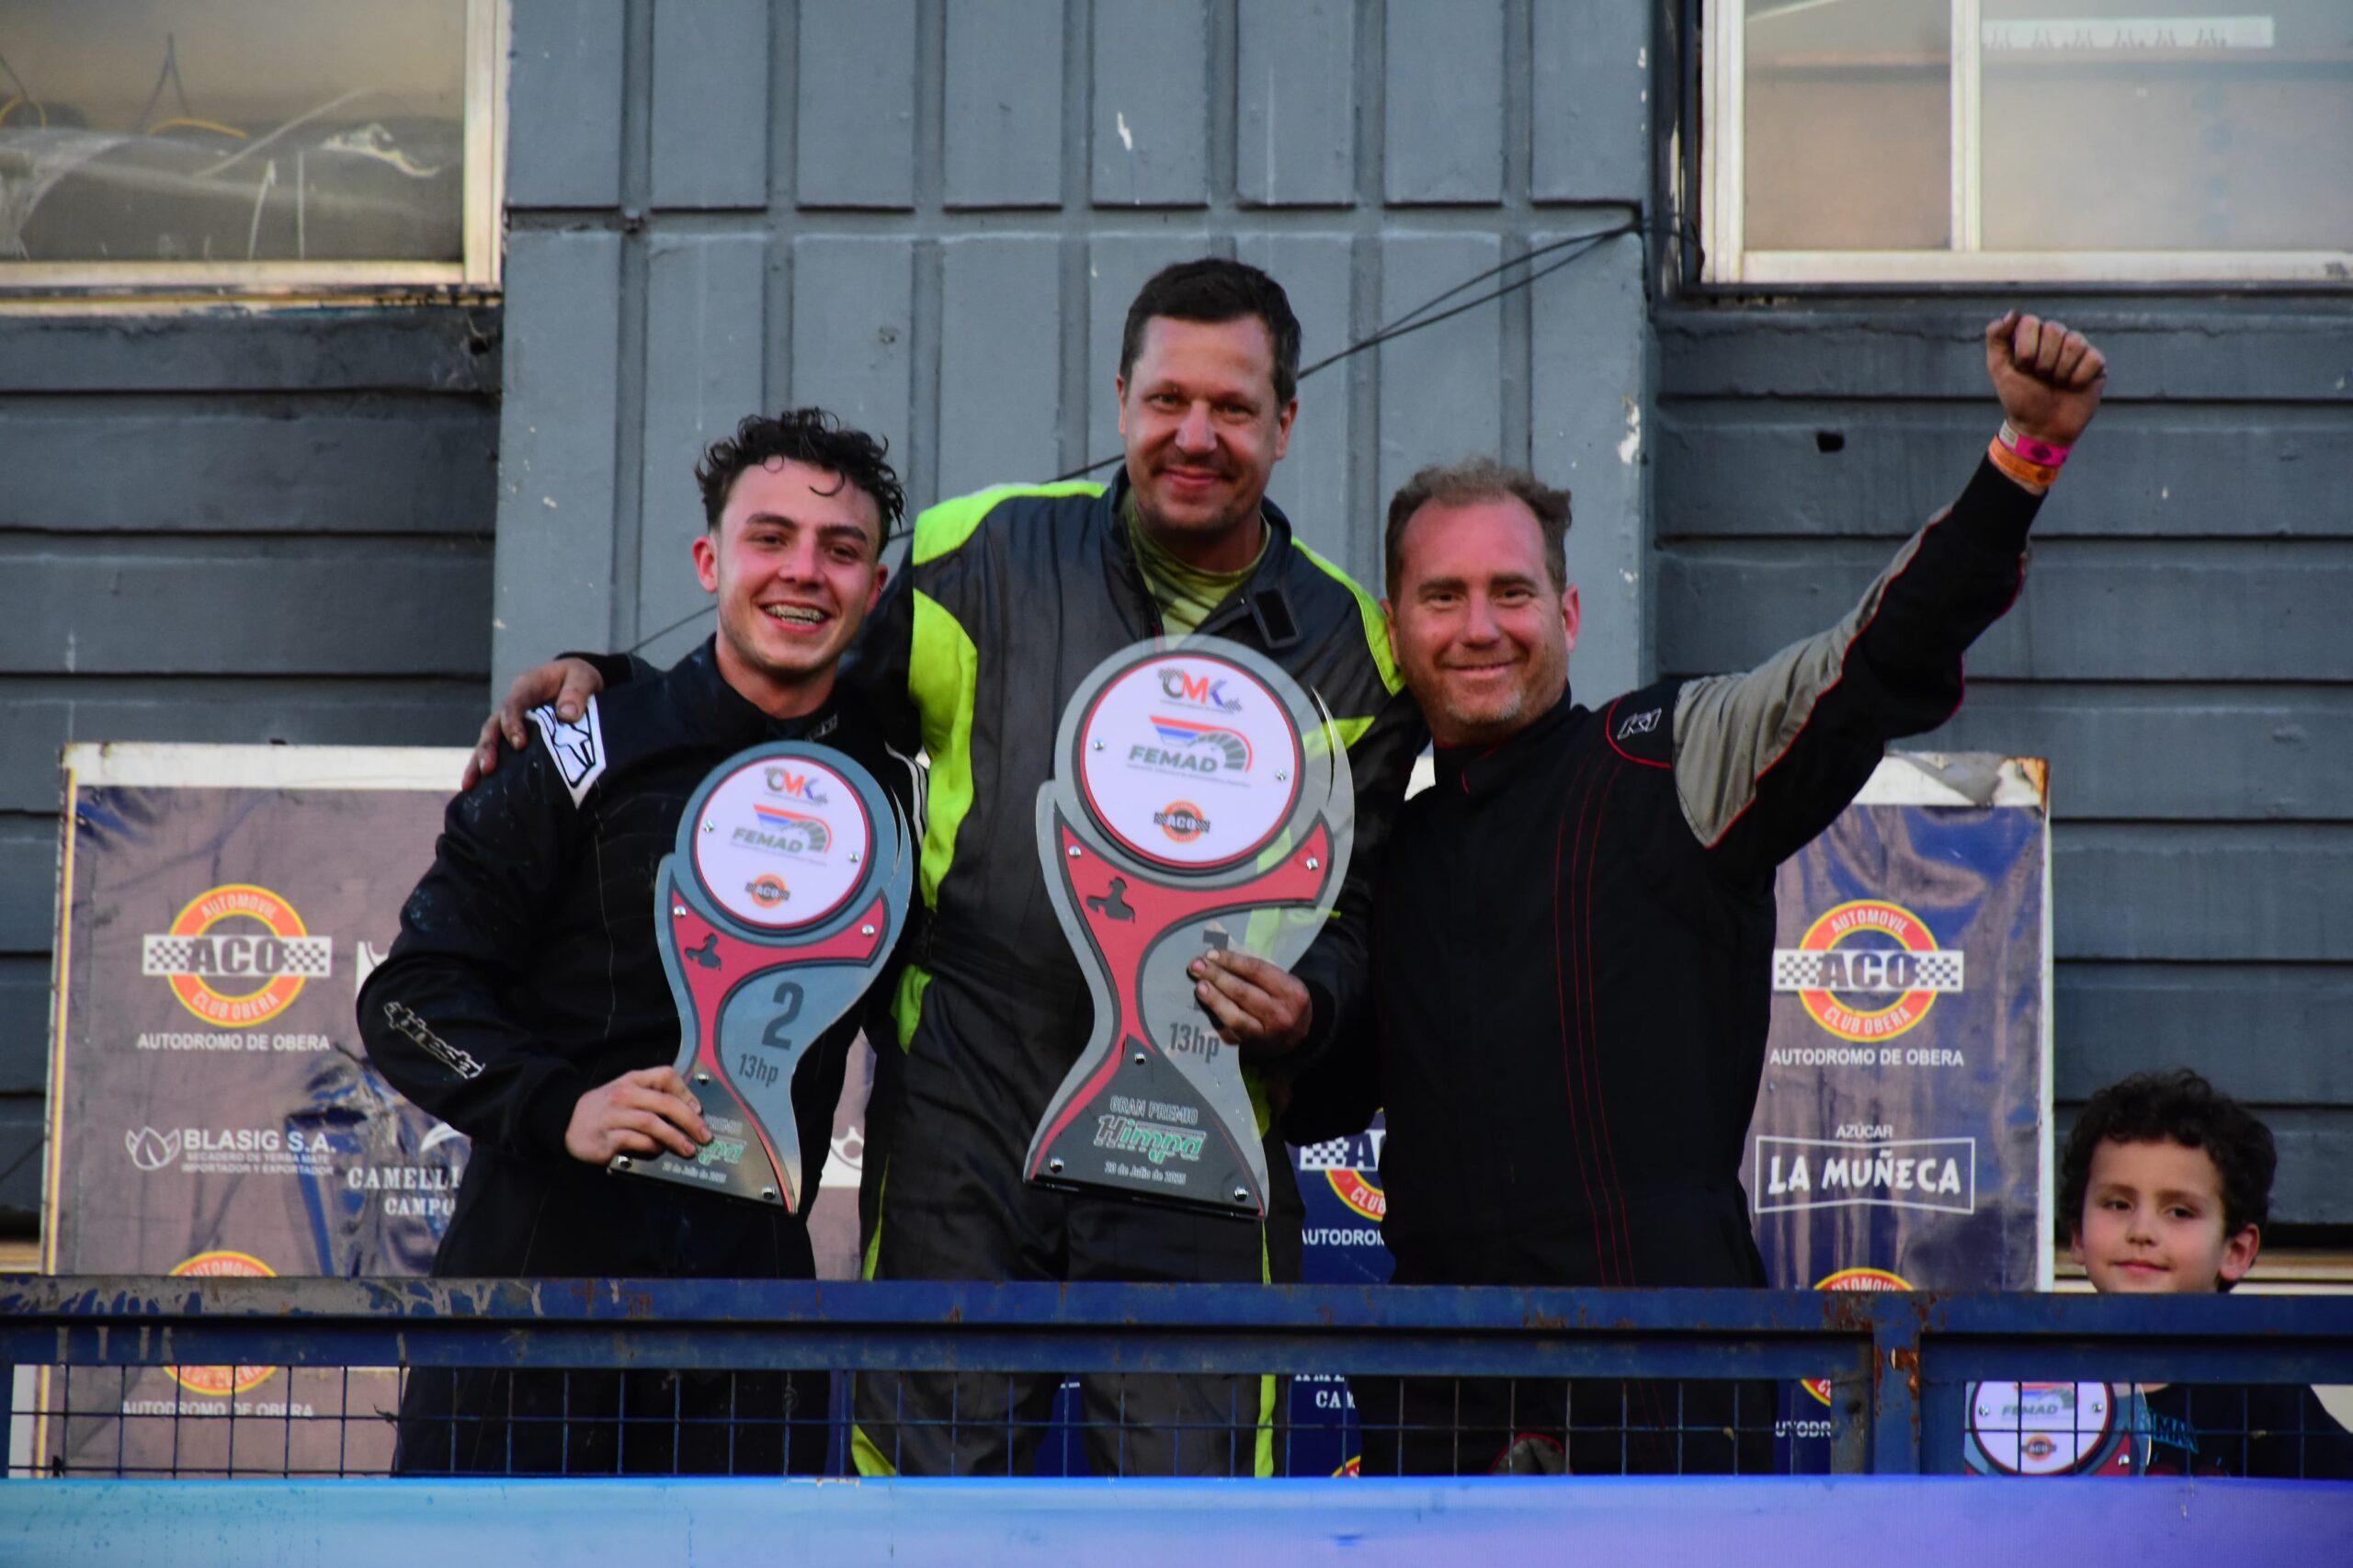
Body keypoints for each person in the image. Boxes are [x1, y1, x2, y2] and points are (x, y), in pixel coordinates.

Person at [468, 259, 1426, 1477]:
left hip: (1200, 1133)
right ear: (1122, 397)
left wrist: (1314, 1004)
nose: (1196, 434)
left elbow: (1352, 910)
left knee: (1197, 1530)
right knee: (924, 1513)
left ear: (1286, 422)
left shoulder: (1357, 653)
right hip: (965, 1119)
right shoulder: (987, 548)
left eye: (1234, 408)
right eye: (1168, 398)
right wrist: (607, 675)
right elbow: (782, 694)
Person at [1281, 310, 2109, 1476]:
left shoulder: (1665, 753)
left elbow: (1864, 664)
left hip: (1668, 1378)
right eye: (1443, 596)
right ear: (1396, 627)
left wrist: (2017, 460)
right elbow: (1314, 1095)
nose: (1480, 627)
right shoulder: (1384, 845)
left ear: (1568, 615)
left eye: (1512, 593)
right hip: (1436, 1392)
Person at [358, 408, 917, 1475]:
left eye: (840, 550)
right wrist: (557, 1103)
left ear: (873, 590)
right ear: (710, 559)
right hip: (533, 1314)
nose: (803, 572)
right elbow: (410, 996)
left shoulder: (897, 785)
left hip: (753, 1337)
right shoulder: (579, 746)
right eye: (769, 538)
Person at [1962, 1069, 2353, 1478]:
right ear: (2077, 1233)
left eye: (2179, 1211)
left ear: (2235, 1250)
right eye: (2117, 1204)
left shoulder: (2265, 1390)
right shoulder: (2020, 1381)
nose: (2142, 1232)